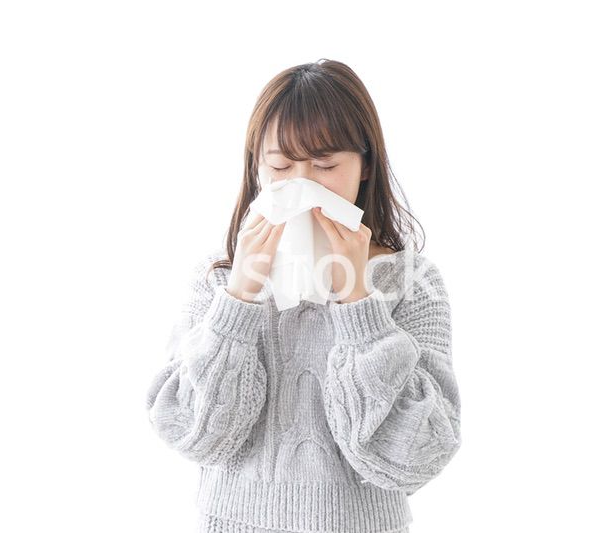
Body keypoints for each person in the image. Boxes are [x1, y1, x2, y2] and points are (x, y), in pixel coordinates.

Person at [144, 58, 461, 533]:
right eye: (281, 166)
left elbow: (417, 456)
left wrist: (358, 301)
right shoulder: (217, 279)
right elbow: (193, 435)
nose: (303, 186)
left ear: (366, 165)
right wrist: (240, 297)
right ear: (257, 169)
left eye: (326, 165)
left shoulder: (411, 281)